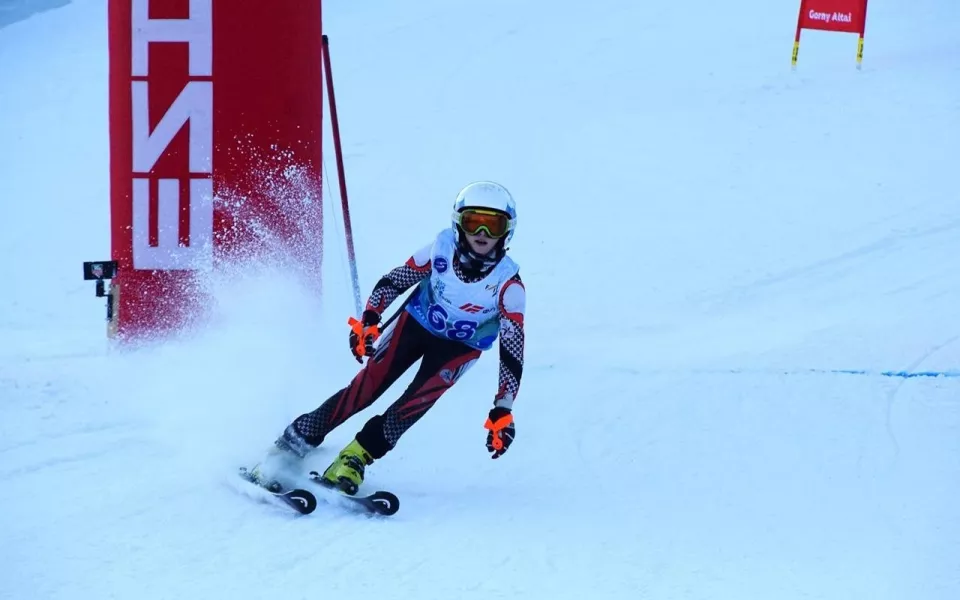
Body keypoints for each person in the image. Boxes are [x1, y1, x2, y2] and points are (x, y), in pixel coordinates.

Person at [249, 181, 526, 495]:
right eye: (474, 222)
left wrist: (503, 407)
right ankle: (292, 443)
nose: (482, 234)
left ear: (507, 231)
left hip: (460, 348)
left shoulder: (509, 284)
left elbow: (513, 349)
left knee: (414, 405)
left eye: (493, 225)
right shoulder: (441, 249)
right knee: (367, 388)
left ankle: (355, 457)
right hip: (415, 325)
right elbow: (395, 280)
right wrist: (370, 319)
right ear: (458, 223)